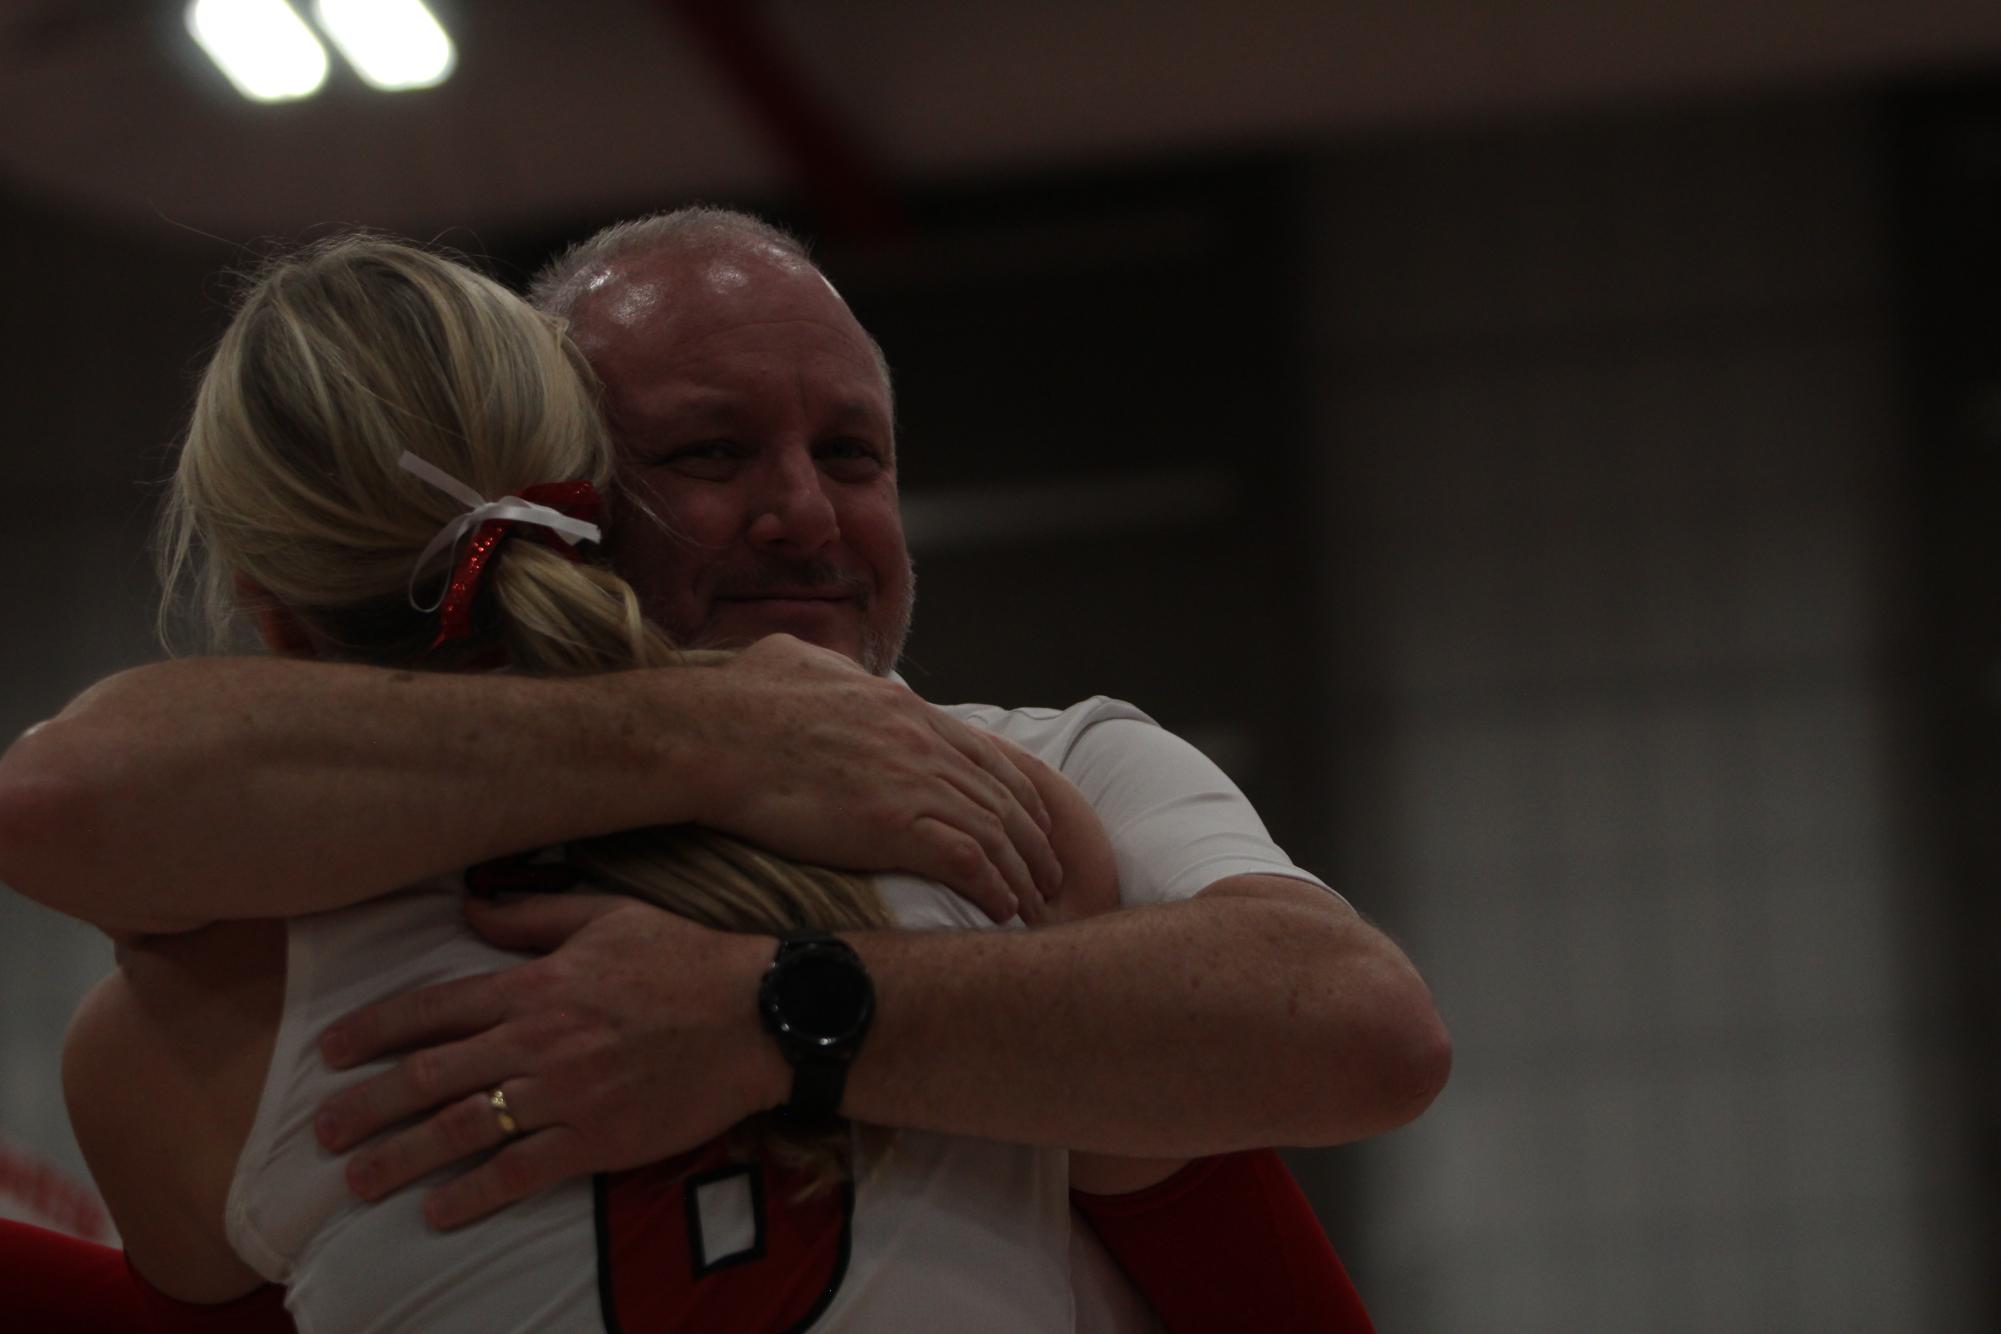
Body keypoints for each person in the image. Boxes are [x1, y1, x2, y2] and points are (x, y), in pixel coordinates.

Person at [0, 208, 1447, 1307]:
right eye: (709, 454)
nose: (805, 513)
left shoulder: (1031, 767)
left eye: (855, 453)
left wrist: (768, 1015)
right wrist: (713, 735)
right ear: (552, 495)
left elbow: (1358, 1024)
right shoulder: (1022, 831)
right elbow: (66, 790)